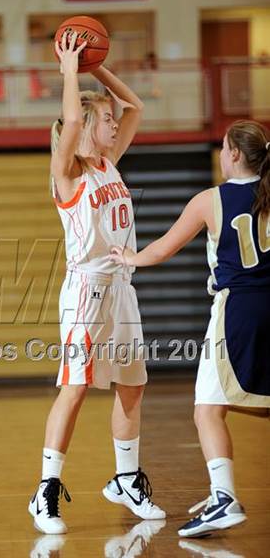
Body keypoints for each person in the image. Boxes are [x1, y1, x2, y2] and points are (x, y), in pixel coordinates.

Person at [28, 31, 165, 535]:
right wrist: (69, 71)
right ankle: (45, 491)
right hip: (86, 291)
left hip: (121, 288)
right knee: (76, 388)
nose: (115, 125)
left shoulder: (110, 163)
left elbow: (135, 106)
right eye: (104, 120)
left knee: (133, 386)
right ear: (84, 125)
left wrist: (96, 67)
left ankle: (125, 480)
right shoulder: (68, 170)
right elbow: (72, 123)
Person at [110, 120, 270, 537]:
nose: (220, 153)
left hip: (238, 309)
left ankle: (224, 497)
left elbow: (163, 247)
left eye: (222, 147)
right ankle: (222, 496)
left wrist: (129, 258)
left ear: (234, 154)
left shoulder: (211, 200)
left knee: (207, 410)